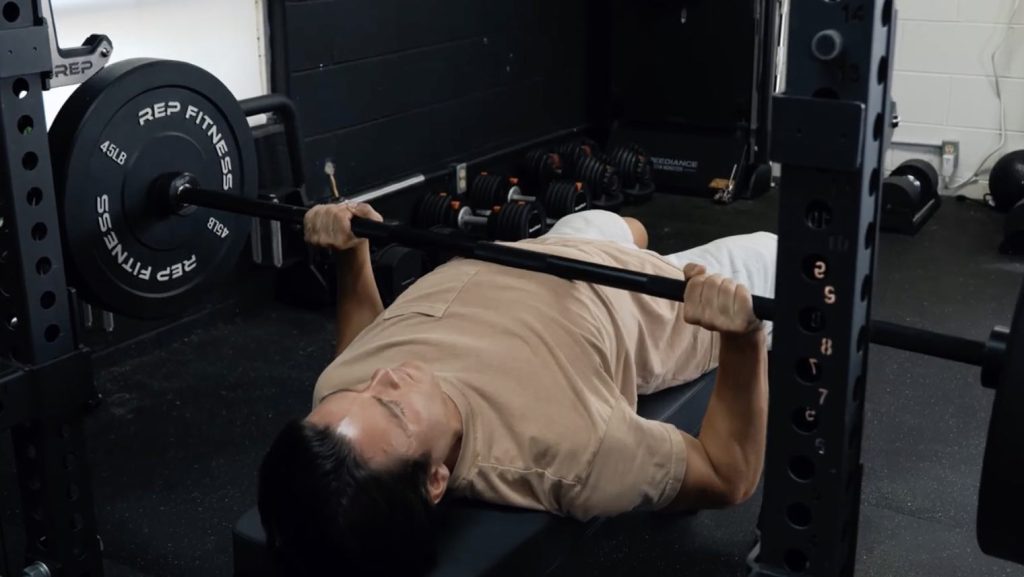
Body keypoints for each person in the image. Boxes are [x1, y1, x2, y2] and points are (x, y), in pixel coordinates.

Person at [258, 203, 776, 576]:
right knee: (796, 260)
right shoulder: (569, 450)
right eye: (392, 407)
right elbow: (726, 475)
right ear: (436, 481)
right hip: (650, 295)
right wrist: (742, 337)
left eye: (360, 390)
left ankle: (621, 232)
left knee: (623, 223)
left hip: (538, 252)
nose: (384, 376)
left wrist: (352, 251)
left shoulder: (340, 396)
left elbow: (360, 349)